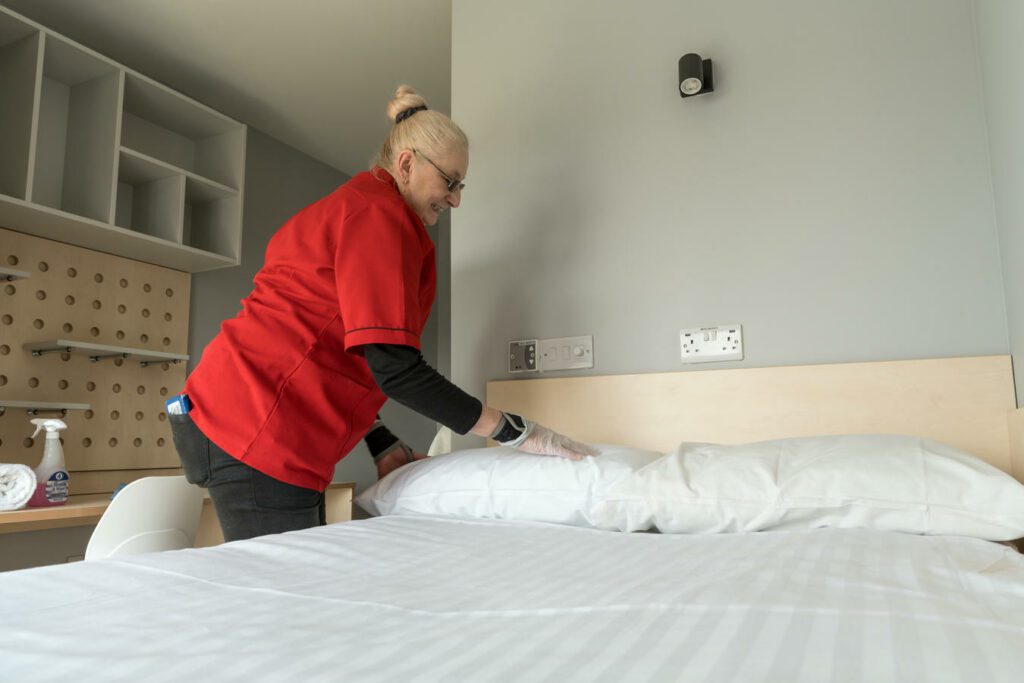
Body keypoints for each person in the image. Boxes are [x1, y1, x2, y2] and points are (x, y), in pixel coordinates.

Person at [168, 85, 596, 542]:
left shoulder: (367, 208)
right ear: (407, 164)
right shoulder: (379, 217)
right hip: (255, 426)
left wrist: (382, 442)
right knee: (285, 598)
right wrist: (518, 432)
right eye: (450, 182)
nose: (456, 200)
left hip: (242, 416)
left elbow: (339, 350)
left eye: (460, 186)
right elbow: (398, 370)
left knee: (302, 583)